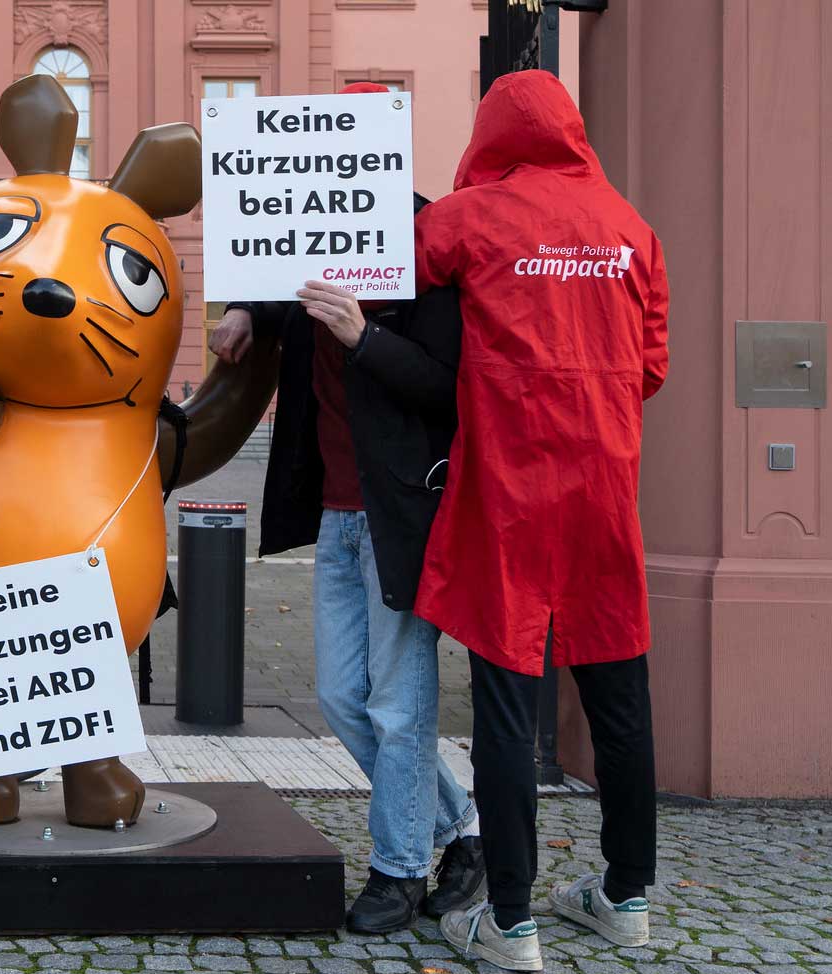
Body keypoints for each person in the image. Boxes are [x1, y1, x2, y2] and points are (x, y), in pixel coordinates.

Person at [208, 82, 483, 937]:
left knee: (399, 703)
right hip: (334, 511)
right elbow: (272, 290)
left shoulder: (427, 241)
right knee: (339, 698)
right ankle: (462, 830)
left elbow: (449, 388)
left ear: (382, 151)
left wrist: (366, 337)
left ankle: (399, 873)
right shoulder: (300, 235)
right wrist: (246, 308)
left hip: (401, 511)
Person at [411, 71, 669, 973]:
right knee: (618, 693)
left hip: (511, 490)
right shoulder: (631, 227)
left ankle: (510, 921)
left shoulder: (472, 216)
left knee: (507, 707)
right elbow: (651, 364)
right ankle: (627, 896)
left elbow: (385, 260)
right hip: (603, 484)